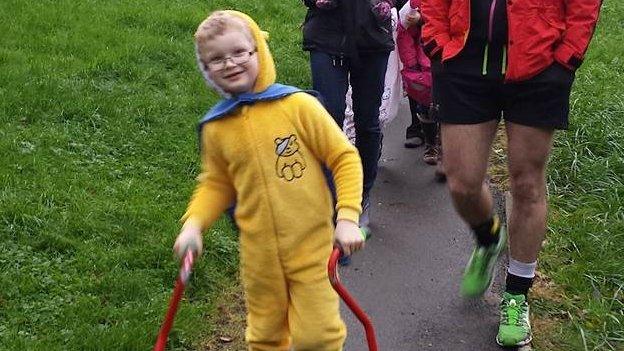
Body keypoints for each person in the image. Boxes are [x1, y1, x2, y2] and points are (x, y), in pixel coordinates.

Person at [173, 10, 366, 350]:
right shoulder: (217, 127)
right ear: (206, 70)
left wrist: (348, 217)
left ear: (257, 50)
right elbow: (216, 184)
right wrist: (193, 225)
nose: (230, 63)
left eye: (238, 52)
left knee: (317, 337)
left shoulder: (297, 106)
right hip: (258, 256)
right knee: (264, 338)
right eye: (216, 59)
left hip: (311, 247)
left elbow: (344, 157)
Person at [421, 0, 602, 347]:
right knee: (462, 183)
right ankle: (489, 238)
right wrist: (435, 39)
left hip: (539, 63)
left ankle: (517, 294)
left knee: (527, 182)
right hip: (464, 62)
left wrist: (568, 56)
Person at [302, 0, 397, 228]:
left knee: (367, 122)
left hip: (372, 36)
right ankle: (329, 196)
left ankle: (360, 197)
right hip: (327, 35)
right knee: (328, 118)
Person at [396, 0, 440, 165]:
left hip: (450, 53)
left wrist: (422, 18)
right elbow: (405, 27)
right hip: (424, 58)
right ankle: (430, 142)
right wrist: (411, 64)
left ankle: (445, 148)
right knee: (424, 100)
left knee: (448, 103)